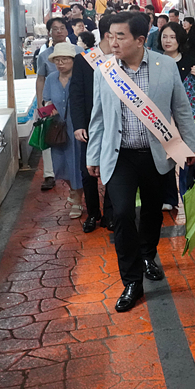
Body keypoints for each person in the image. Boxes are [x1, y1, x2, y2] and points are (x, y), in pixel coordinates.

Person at [86, 13, 195, 313]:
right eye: (110, 36)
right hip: (119, 155)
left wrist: (190, 146)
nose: (113, 42)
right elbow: (98, 117)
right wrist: (93, 156)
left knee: (153, 210)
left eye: (120, 36)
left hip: (156, 155)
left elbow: (182, 109)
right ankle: (132, 281)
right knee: (121, 214)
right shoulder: (104, 71)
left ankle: (148, 254)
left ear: (140, 39)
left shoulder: (166, 67)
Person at [160, 22, 195, 207]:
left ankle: (194, 202)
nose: (168, 41)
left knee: (191, 165)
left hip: (190, 122)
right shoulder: (155, 60)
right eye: (164, 36)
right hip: (163, 122)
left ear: (180, 39)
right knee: (164, 163)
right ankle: (168, 198)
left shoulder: (190, 60)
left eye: (172, 37)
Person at [70, 18, 113, 233]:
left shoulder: (120, 60)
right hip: (89, 126)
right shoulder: (84, 60)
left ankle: (110, 214)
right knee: (88, 173)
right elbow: (75, 95)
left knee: (113, 170)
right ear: (108, 35)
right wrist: (78, 125)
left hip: (114, 126)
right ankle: (93, 212)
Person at [35, 18, 84, 192]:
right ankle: (70, 189)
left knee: (80, 159)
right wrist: (43, 107)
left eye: (62, 28)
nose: (60, 63)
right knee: (61, 157)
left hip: (77, 121)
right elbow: (41, 82)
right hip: (58, 120)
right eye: (55, 29)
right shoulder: (45, 61)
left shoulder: (80, 54)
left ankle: (79, 193)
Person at [42, 43, 85, 218]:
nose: (61, 63)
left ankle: (77, 199)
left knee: (77, 164)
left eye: (65, 59)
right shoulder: (51, 78)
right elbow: (47, 100)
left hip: (77, 127)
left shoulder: (80, 77)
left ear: (73, 60)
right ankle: (73, 190)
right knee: (60, 164)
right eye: (57, 60)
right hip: (58, 128)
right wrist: (48, 109)